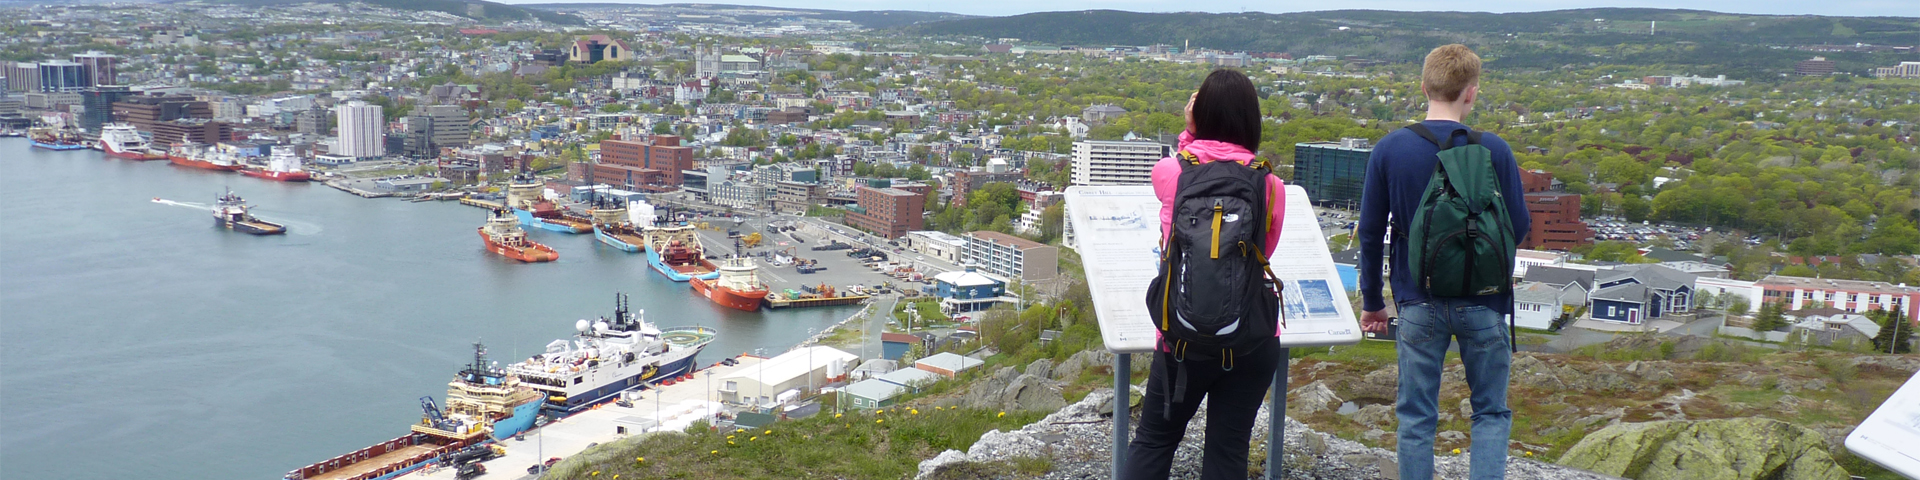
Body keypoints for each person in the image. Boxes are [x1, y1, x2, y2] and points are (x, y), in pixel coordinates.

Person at [1356, 44, 1531, 480]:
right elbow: (1519, 225)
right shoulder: (1495, 150)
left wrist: (1374, 301)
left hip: (1417, 302)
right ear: (1471, 93)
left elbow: (1371, 232)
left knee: (1416, 416)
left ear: (1423, 87)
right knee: (1490, 411)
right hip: (1485, 303)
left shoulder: (1390, 148)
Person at [1124, 68, 1287, 480]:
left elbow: (1182, 158)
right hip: (1250, 336)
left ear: (1199, 116)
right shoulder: (1271, 186)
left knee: (1155, 441)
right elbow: (1263, 251)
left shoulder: (1170, 173)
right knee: (1228, 452)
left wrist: (1189, 129)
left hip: (1181, 337)